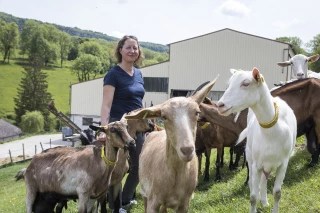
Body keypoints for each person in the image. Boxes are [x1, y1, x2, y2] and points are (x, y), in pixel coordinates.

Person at [99, 35, 145, 213]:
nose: (133, 51)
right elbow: (106, 104)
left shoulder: (139, 74)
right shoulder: (113, 74)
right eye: (129, 47)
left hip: (137, 127)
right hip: (119, 129)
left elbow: (139, 101)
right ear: (120, 50)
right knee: (117, 170)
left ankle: (125, 199)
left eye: (135, 48)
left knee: (138, 166)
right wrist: (104, 129)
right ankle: (113, 205)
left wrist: (145, 124)